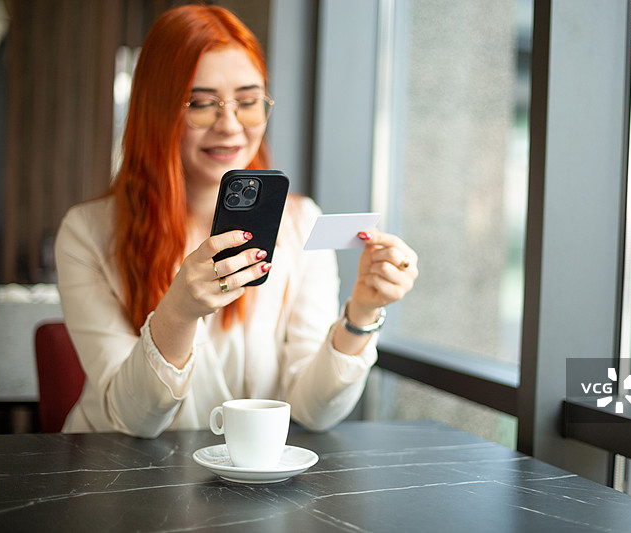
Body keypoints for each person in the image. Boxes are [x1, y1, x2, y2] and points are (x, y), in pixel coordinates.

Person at [54, 4, 417, 438]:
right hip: (114, 469)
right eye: (201, 104)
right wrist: (178, 313)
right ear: (157, 109)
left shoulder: (300, 222)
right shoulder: (87, 233)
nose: (229, 126)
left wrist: (362, 312)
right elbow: (133, 419)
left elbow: (313, 410)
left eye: (247, 102)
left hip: (249, 469)